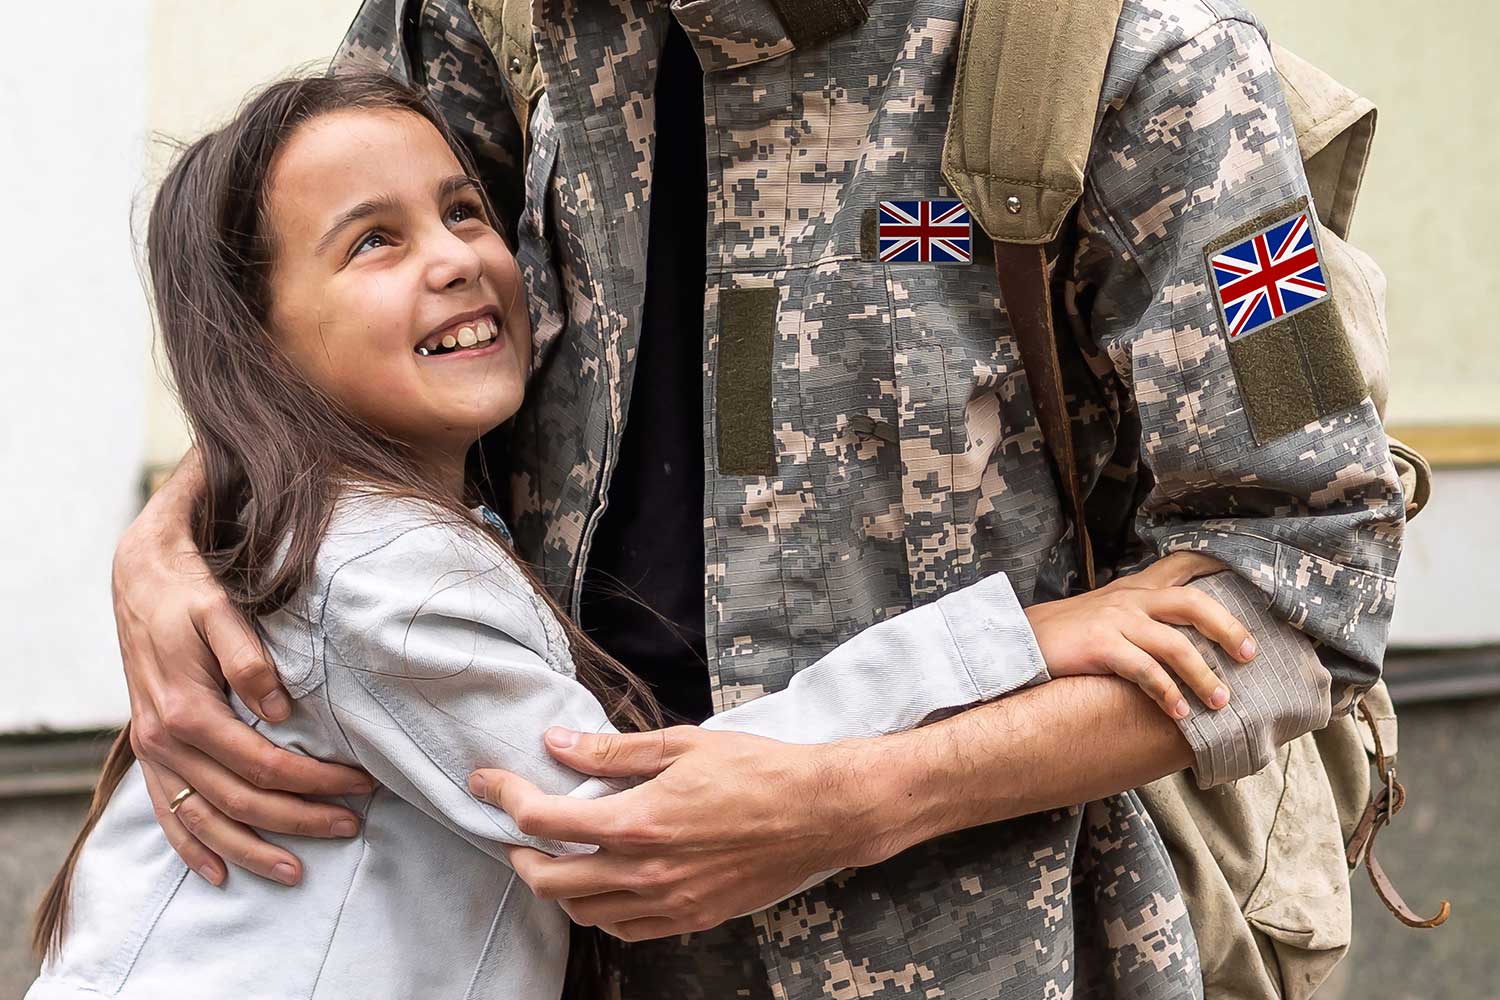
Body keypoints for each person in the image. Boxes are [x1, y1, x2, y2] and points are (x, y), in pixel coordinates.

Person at [108, 0, 1405, 996]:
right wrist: (187, 525)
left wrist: (868, 797)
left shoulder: (1131, 62)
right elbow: (314, 276)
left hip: (1000, 942)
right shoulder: (487, 18)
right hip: (574, 945)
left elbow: (1308, 581)